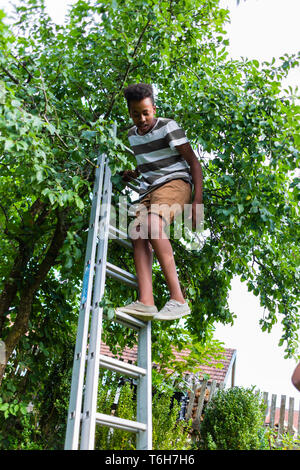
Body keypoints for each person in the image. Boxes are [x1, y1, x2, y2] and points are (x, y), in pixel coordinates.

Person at [116, 83, 203, 321]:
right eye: (136, 114)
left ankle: (178, 299)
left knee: (153, 226)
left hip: (175, 183)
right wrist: (134, 173)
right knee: (136, 232)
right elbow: (150, 162)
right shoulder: (132, 136)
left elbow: (194, 162)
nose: (142, 118)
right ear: (130, 113)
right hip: (150, 190)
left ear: (153, 109)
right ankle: (146, 301)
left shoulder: (168, 127)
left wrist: (197, 202)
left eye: (146, 112)